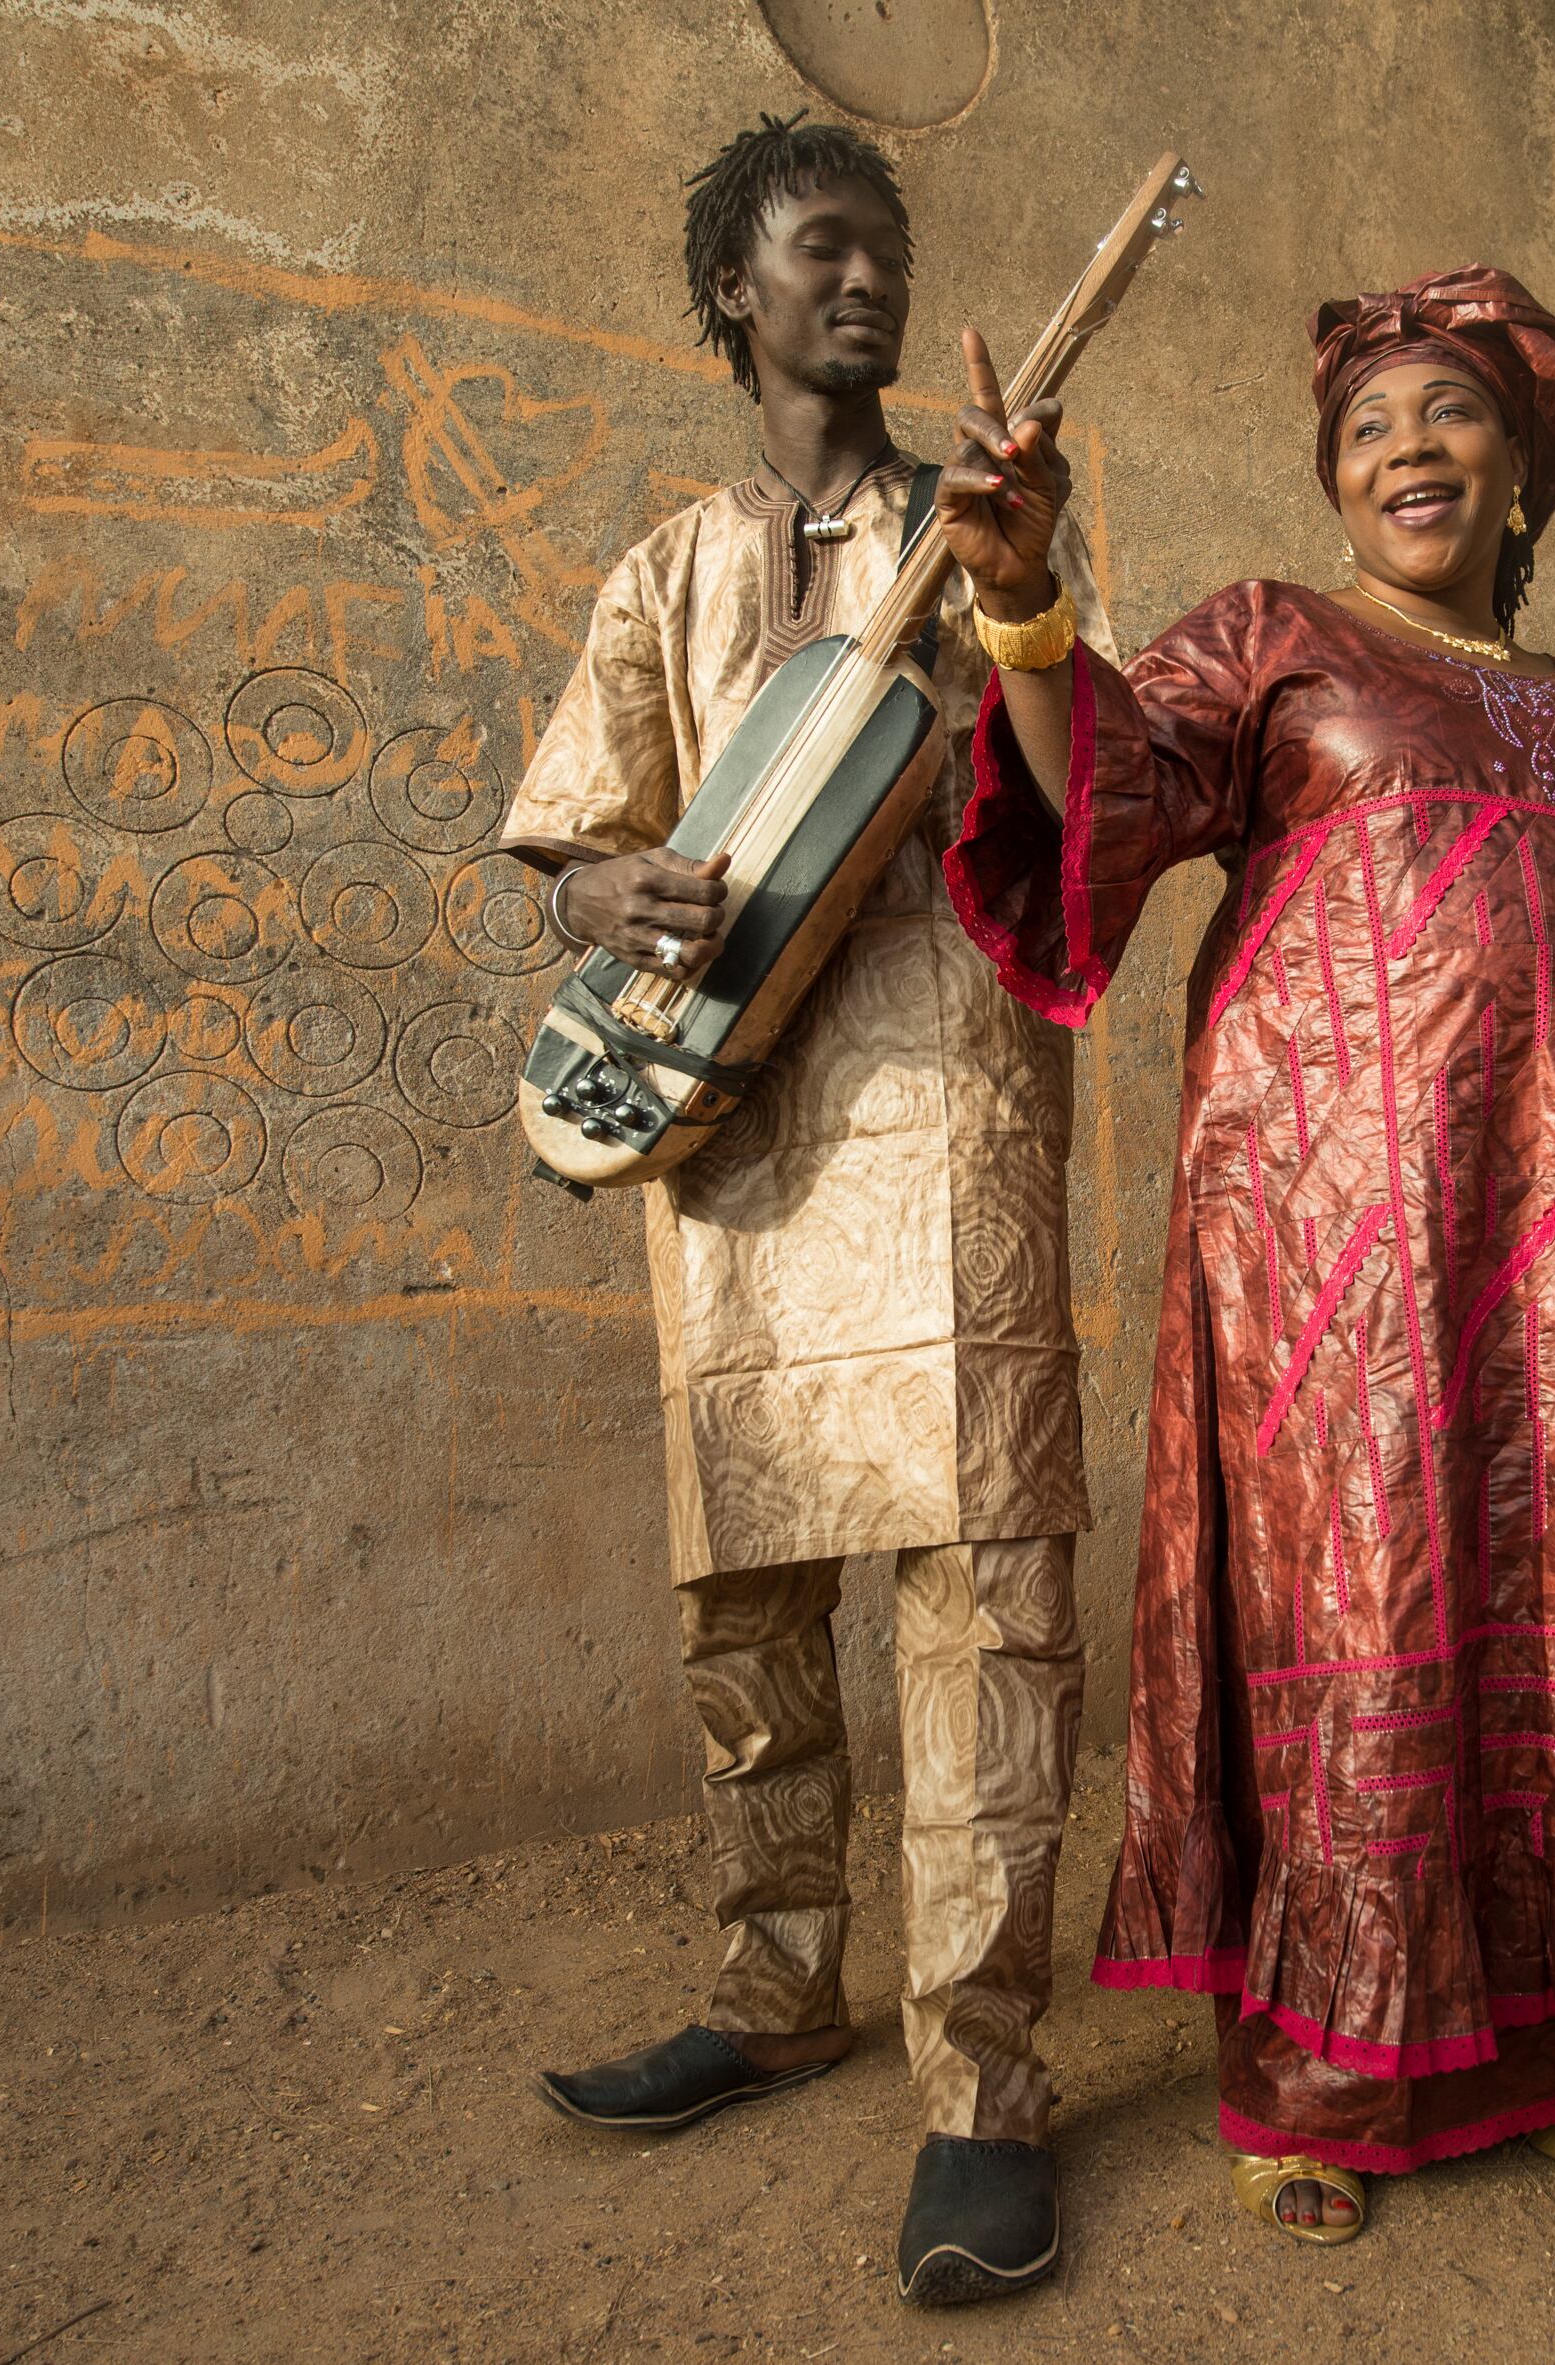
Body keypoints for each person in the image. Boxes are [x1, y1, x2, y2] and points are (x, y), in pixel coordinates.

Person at [935, 268, 1555, 2246]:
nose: (1404, 449)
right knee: (1359, 1605)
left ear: (1525, 464)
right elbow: (1108, 810)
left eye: (1448, 417)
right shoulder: (1275, 641)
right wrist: (1026, 608)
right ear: (1332, 486)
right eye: (1363, 431)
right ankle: (1327, 2068)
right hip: (1330, 1254)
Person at [496, 114, 1113, 2306]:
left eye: (884, 249)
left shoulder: (986, 520)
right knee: (743, 1596)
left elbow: (1067, 797)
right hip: (727, 1128)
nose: (859, 279)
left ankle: (981, 2083)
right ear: (731, 299)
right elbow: (566, 841)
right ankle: (775, 1994)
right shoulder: (668, 567)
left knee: (981, 1604)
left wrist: (1026, 585)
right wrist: (609, 887)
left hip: (942, 1111)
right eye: (815, 251)